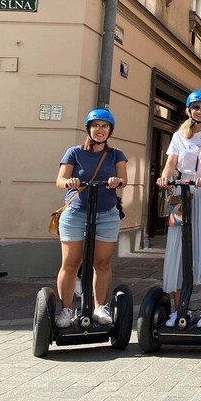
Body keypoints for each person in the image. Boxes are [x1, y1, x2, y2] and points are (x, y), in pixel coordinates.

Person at [156, 90, 201, 328]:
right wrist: (165, 178)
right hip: (181, 195)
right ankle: (179, 309)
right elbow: (170, 164)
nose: (200, 111)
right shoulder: (179, 135)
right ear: (189, 109)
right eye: (196, 107)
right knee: (178, 250)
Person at [54, 109, 127, 327]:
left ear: (110, 130)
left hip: (106, 214)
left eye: (105, 126)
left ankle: (99, 307)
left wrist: (117, 181)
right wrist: (69, 182)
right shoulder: (74, 152)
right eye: (96, 126)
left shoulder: (116, 154)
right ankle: (66, 310)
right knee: (71, 262)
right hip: (76, 213)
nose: (100, 130)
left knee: (102, 263)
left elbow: (124, 179)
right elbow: (60, 179)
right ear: (89, 128)